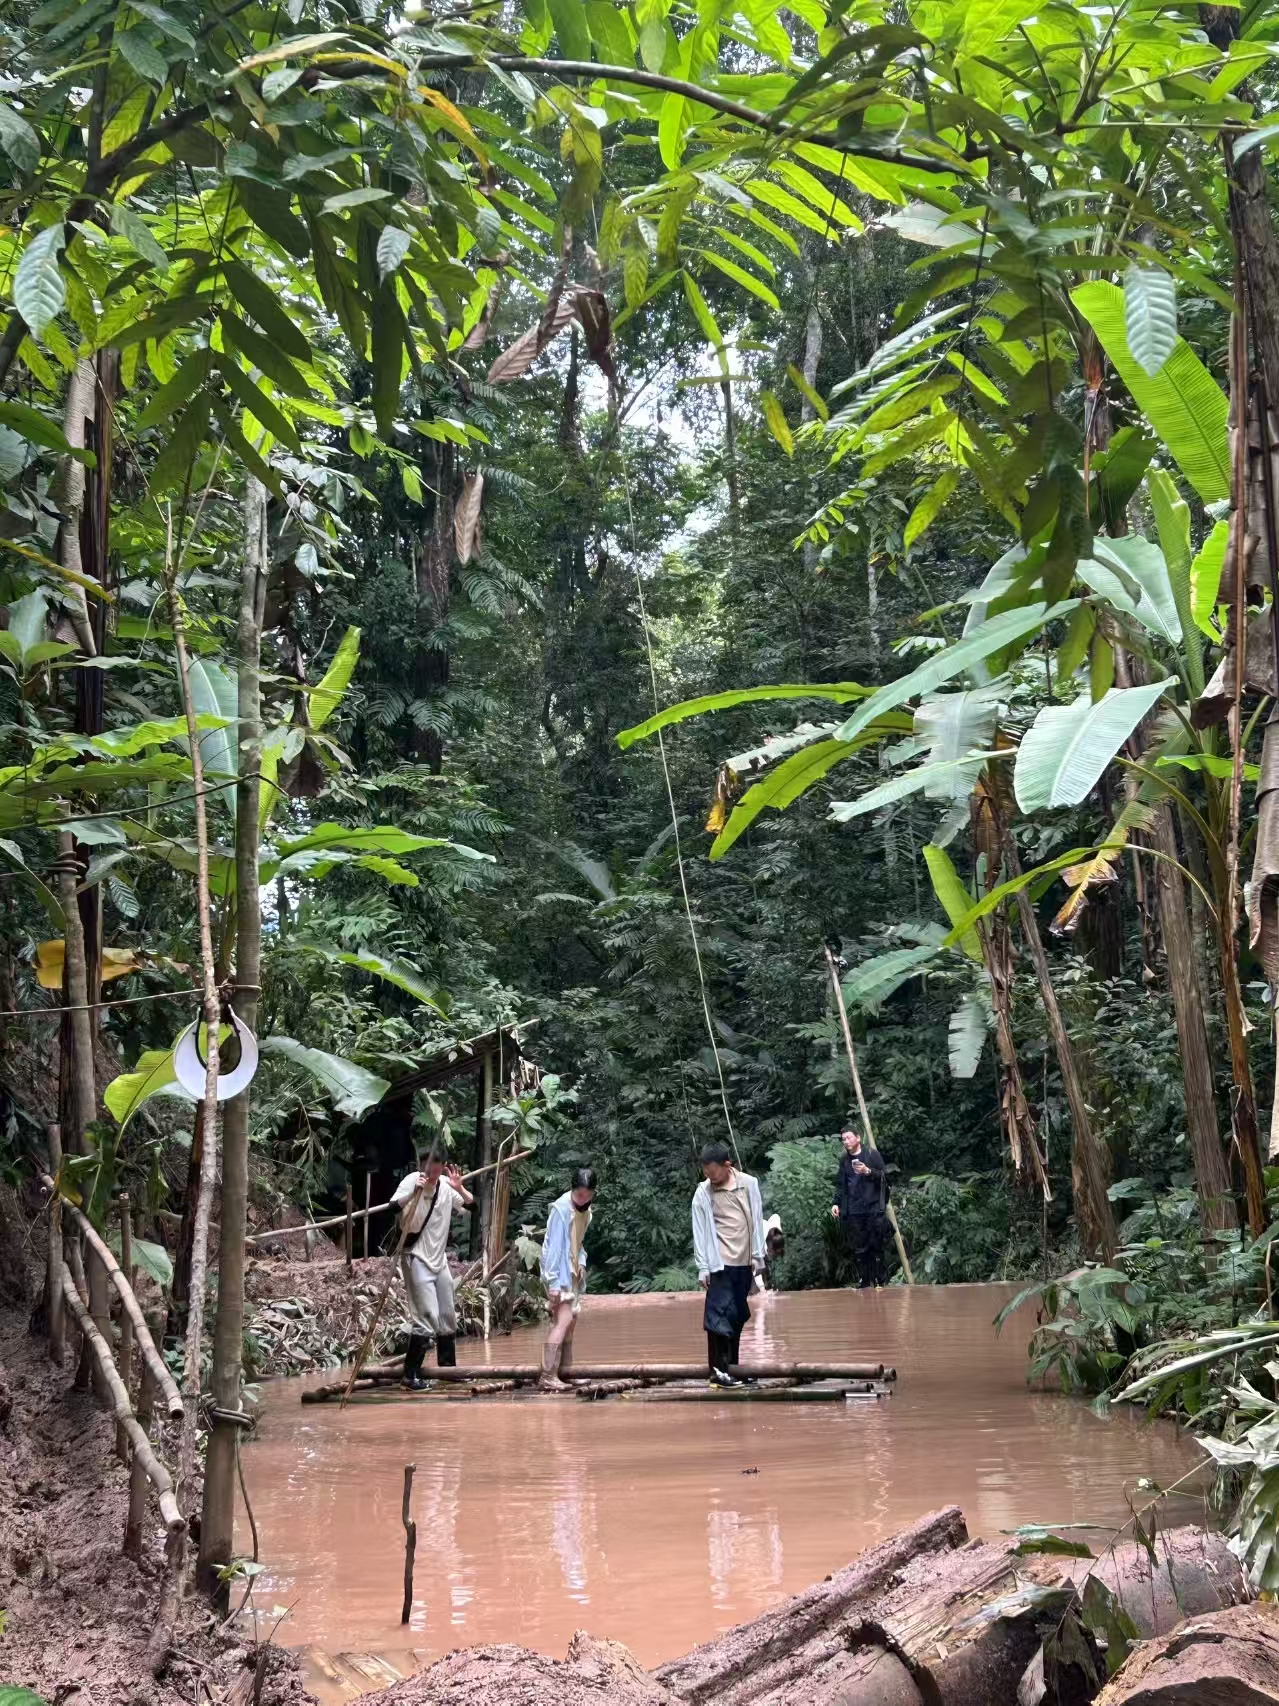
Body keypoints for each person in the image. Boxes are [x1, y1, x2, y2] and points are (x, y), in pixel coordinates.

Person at [391, 1154, 474, 1389]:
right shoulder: (412, 1181)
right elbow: (392, 1207)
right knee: (426, 1315)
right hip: (416, 1256)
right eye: (430, 1171)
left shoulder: (447, 1186)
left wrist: (461, 1188)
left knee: (447, 1314)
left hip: (439, 1261)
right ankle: (410, 1375)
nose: (433, 1176)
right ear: (422, 1167)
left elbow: (471, 1206)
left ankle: (447, 1369)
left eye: (437, 1171)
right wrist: (413, 1193)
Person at [691, 1141, 765, 1387]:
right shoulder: (703, 1193)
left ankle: (733, 1368)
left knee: (736, 1316)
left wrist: (757, 1255)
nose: (709, 1176)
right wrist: (703, 1266)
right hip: (719, 1263)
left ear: (727, 1165)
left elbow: (756, 1217)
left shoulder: (748, 1184)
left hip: (743, 1262)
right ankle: (718, 1371)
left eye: (713, 1171)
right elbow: (699, 1231)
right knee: (717, 1317)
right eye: (706, 1172)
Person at [539, 1167, 596, 1391]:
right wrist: (553, 1283)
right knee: (562, 1321)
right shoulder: (561, 1209)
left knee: (570, 1322)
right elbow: (552, 1248)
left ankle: (565, 1372)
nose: (583, 1198)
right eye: (580, 1194)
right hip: (557, 1273)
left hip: (571, 1270)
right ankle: (547, 1375)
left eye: (587, 1194)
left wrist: (581, 1261)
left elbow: (578, 1242)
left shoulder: (586, 1212)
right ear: (573, 1190)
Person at [830, 1127, 888, 1289]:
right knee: (859, 1247)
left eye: (849, 1138)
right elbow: (841, 1184)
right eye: (843, 1139)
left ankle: (879, 1279)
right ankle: (864, 1280)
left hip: (873, 1206)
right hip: (854, 1209)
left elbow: (885, 1176)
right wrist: (836, 1203)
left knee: (875, 1244)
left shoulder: (871, 1154)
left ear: (858, 1138)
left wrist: (868, 1171)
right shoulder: (844, 1160)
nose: (846, 1142)